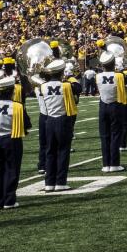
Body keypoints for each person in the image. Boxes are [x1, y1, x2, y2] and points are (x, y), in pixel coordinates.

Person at [37, 58, 80, 192]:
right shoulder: (66, 85)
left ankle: (49, 182)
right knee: (63, 151)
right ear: (61, 72)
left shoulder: (43, 86)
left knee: (50, 152)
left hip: (49, 120)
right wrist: (70, 77)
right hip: (62, 119)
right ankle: (60, 182)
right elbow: (79, 88)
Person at [0, 75, 25, 209]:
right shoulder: (17, 106)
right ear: (11, 91)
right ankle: (9, 200)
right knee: (11, 169)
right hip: (11, 139)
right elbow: (26, 124)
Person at [95, 52, 127, 173]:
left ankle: (106, 164)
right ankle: (115, 163)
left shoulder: (98, 76)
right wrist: (121, 70)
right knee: (115, 134)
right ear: (113, 63)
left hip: (103, 106)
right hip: (116, 106)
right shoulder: (119, 76)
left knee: (104, 136)